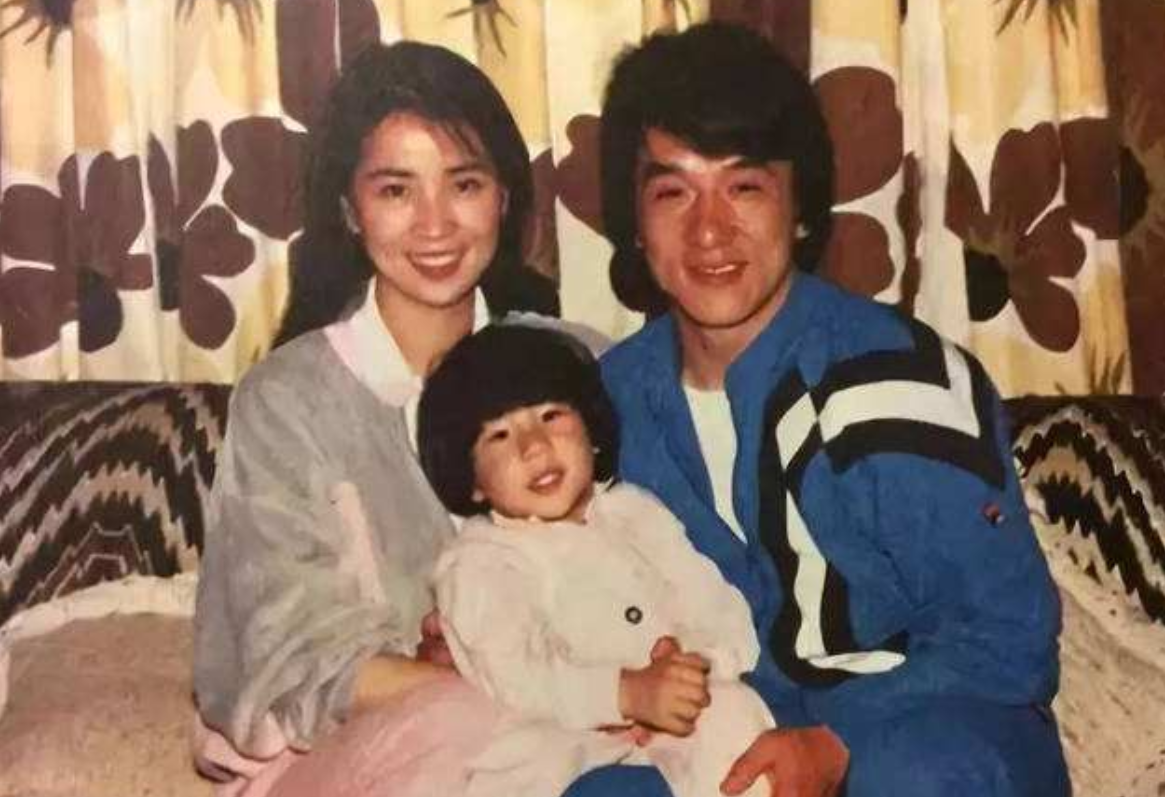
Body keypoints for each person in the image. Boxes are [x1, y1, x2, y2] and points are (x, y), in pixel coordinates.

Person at [590, 21, 1071, 797]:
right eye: (672, 192)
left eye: (744, 187)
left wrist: (839, 738)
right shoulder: (602, 405)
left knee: (911, 776)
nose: (708, 229)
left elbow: (1008, 633)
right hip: (730, 731)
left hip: (932, 724)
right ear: (634, 223)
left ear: (801, 208)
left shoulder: (898, 376)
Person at [192, 39, 557, 795]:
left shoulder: (573, 366)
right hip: (354, 757)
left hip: (561, 738)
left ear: (504, 196)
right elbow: (287, 656)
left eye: (464, 184)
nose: (435, 224)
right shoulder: (286, 402)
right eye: (396, 190)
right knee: (464, 729)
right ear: (348, 211)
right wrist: (515, 685)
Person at [416, 324, 774, 797]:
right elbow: (518, 674)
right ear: (473, 480)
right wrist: (626, 694)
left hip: (675, 727)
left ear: (591, 430)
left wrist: (691, 668)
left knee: (735, 716)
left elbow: (717, 607)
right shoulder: (478, 561)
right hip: (565, 752)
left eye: (550, 416)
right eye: (499, 435)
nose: (534, 446)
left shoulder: (636, 512)